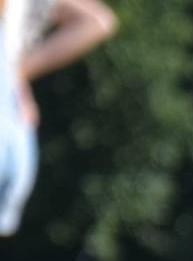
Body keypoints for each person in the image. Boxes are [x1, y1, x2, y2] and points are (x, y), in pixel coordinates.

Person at [1, 0, 117, 236]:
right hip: (15, 125)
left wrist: (13, 75)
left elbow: (98, 22)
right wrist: (16, 75)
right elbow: (97, 21)